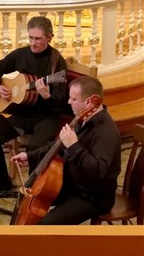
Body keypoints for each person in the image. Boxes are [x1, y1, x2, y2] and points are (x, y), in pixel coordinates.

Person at [11, 76, 121, 224]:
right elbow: (56, 145)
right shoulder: (81, 117)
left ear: (89, 101)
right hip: (72, 184)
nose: (69, 102)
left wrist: (74, 146)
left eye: (73, 99)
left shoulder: (106, 131)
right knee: (27, 195)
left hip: (92, 196)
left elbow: (98, 170)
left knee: (46, 226)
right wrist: (29, 156)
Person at [0, 15, 67, 192]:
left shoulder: (57, 64)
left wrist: (47, 96)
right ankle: (1, 180)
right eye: (30, 37)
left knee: (35, 147)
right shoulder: (21, 54)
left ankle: (33, 189)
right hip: (24, 115)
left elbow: (61, 100)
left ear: (49, 37)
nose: (33, 43)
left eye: (38, 38)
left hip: (47, 117)